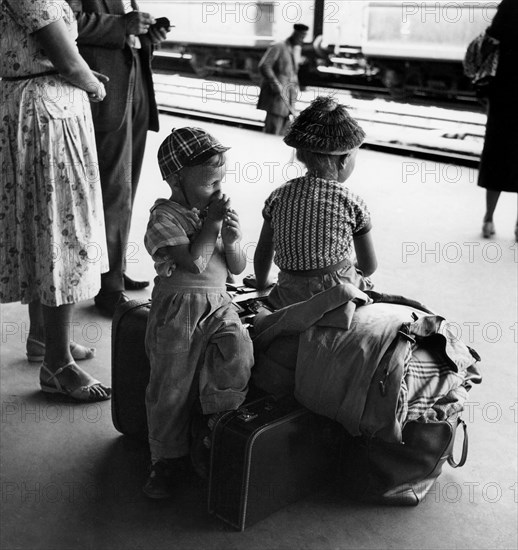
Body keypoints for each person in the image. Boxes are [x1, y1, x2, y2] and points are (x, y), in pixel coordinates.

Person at [0, 0, 111, 401]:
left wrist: (79, 74)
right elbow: (65, 60)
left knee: (43, 224)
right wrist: (94, 86)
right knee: (61, 233)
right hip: (49, 117)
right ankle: (57, 365)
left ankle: (43, 339)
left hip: (43, 108)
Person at [142, 127, 254, 499]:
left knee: (238, 351)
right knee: (171, 384)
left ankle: (214, 424)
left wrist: (233, 239)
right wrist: (213, 226)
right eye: (209, 185)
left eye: (221, 182)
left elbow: (235, 267)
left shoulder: (212, 213)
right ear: (176, 180)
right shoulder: (164, 218)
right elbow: (192, 263)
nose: (218, 193)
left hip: (218, 305)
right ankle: (166, 459)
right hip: (179, 311)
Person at [66, 0, 170, 315]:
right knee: (113, 190)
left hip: (135, 79)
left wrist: (148, 34)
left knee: (126, 187)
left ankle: (114, 268)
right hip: (105, 88)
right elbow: (65, 21)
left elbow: (127, 26)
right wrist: (121, 26)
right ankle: (107, 287)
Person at [254, 96, 377, 309]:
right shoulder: (352, 202)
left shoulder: (278, 196)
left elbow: (264, 251)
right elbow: (369, 265)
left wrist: (262, 282)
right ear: (345, 159)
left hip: (289, 295)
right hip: (338, 297)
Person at [477, 0, 518, 241]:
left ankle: (488, 218)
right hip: (506, 93)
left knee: (497, 155)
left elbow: (491, 38)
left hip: (504, 93)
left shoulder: (510, 4)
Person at [256, 23, 309, 135]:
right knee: (272, 130)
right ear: (295, 34)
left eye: (304, 37)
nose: (302, 40)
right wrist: (275, 83)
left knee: (281, 132)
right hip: (277, 96)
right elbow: (264, 65)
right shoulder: (278, 46)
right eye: (301, 36)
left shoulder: (294, 49)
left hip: (287, 97)